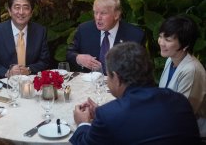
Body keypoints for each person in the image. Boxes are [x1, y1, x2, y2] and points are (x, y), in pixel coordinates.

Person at [70, 42, 200, 145]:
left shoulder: (108, 115)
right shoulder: (179, 100)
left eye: (108, 76)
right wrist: (100, 112)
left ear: (116, 78)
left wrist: (83, 123)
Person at [66, 0, 145, 74]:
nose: (98, 17)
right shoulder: (84, 30)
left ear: (116, 15)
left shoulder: (135, 35)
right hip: (89, 83)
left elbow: (141, 69)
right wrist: (78, 58)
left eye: (103, 13)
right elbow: (70, 53)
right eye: (95, 13)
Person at [0, 0, 50, 80]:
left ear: (31, 12)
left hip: (31, 85)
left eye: (26, 8)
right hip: (5, 85)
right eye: (17, 7)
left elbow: (45, 62)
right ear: (10, 11)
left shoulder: (40, 31)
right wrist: (7, 72)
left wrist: (29, 70)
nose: (21, 12)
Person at [158, 15, 206, 137]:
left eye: (168, 40)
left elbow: (183, 114)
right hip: (168, 123)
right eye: (160, 36)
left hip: (190, 134)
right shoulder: (171, 59)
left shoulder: (191, 70)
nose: (161, 42)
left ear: (185, 45)